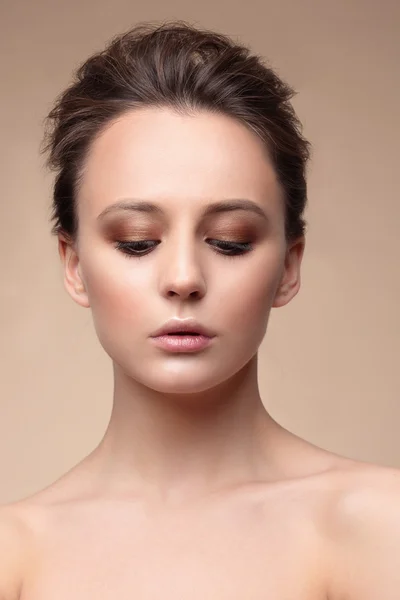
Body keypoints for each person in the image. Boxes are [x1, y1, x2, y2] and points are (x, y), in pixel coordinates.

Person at [1, 19, 399, 600]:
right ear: (74, 264)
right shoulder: (15, 554)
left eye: (230, 240)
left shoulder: (383, 528)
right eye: (137, 241)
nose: (184, 278)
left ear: (289, 266)